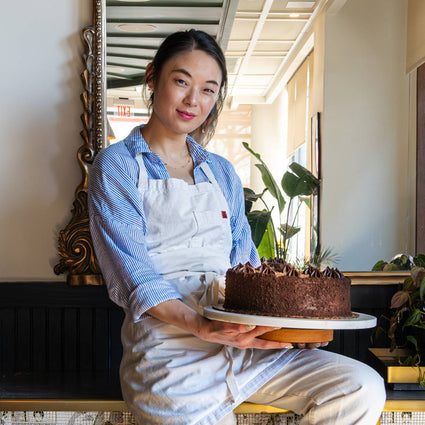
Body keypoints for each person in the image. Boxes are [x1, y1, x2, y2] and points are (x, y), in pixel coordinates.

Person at [88, 29, 386, 425]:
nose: (194, 100)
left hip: (245, 346)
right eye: (181, 81)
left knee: (360, 387)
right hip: (171, 359)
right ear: (152, 77)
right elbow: (135, 276)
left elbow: (244, 264)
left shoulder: (222, 173)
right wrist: (200, 324)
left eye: (209, 89)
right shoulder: (118, 166)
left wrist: (281, 327)